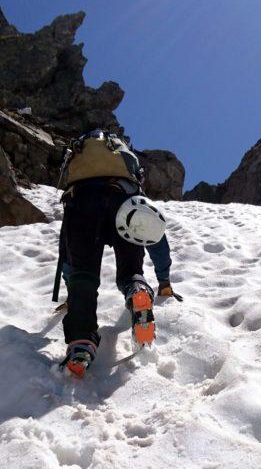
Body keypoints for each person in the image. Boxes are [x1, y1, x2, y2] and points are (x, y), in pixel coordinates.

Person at [54, 130, 175, 377]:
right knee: (131, 271)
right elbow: (156, 237)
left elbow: (66, 251)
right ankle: (137, 291)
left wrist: (71, 286)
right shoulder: (127, 173)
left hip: (82, 200)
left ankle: (81, 344)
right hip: (126, 200)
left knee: (84, 275)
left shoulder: (82, 166)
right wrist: (164, 280)